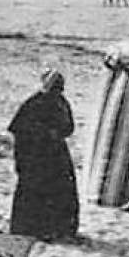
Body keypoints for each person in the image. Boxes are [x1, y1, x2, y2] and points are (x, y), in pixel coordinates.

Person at [8, 68, 80, 241]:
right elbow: (19, 130)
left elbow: (69, 127)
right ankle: (30, 229)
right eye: (54, 85)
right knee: (34, 190)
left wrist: (57, 133)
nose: (57, 90)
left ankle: (59, 228)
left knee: (61, 190)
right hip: (35, 155)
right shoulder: (34, 103)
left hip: (56, 154)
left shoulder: (61, 103)